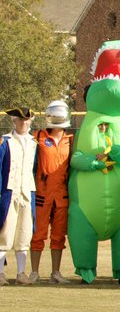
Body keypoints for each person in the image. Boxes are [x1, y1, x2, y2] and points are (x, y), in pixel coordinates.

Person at [30, 99, 73, 284]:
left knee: (58, 235)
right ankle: (34, 272)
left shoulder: (71, 140)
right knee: (38, 234)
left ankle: (56, 272)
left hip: (61, 194)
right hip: (41, 194)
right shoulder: (37, 137)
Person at [0, 107, 37, 285]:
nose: (24, 123)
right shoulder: (5, 141)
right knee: (4, 234)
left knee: (24, 234)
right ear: (14, 121)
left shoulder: (34, 142)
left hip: (27, 192)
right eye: (21, 120)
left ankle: (21, 273)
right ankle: (0, 273)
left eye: (27, 120)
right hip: (8, 192)